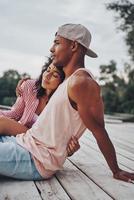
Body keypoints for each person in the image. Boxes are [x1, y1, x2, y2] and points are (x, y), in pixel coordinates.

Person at [0, 23, 134, 183]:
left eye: (57, 42)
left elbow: (99, 130)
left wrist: (116, 170)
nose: (51, 49)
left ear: (73, 45)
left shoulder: (82, 83)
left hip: (35, 158)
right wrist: (25, 84)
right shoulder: (68, 81)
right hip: (22, 142)